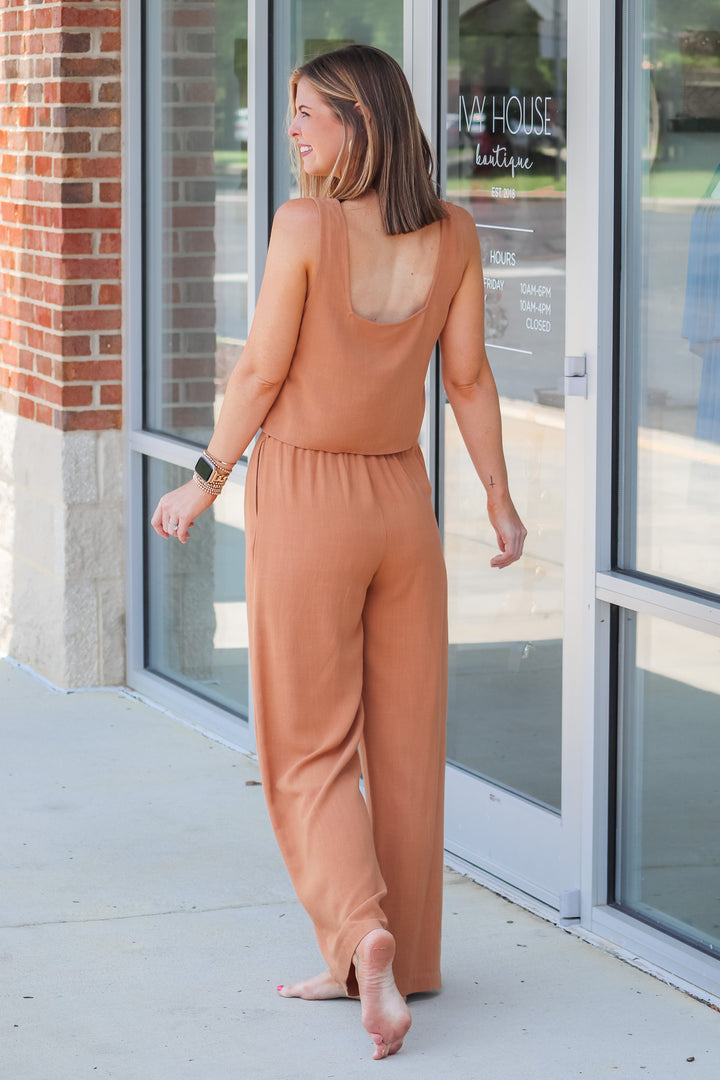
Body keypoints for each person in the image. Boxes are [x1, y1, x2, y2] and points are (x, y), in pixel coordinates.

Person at [151, 44, 526, 1060]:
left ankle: (361, 939)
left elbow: (263, 367)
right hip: (405, 504)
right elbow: (471, 380)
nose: (293, 131)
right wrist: (497, 498)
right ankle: (401, 962)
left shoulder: (306, 224)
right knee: (404, 746)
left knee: (308, 749)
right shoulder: (452, 233)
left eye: (308, 113)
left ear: (360, 121)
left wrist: (204, 477)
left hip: (312, 497)